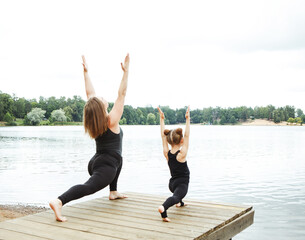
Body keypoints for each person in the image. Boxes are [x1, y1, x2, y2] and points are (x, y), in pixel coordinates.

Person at [49, 53, 130, 222]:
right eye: (99, 99)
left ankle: (113, 191)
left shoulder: (97, 120)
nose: (98, 97)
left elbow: (89, 94)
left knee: (119, 157)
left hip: (98, 161)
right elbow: (121, 95)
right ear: (101, 108)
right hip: (105, 166)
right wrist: (126, 72)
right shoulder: (110, 121)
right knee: (88, 187)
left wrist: (86, 72)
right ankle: (59, 201)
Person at [157, 106, 190, 222]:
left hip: (172, 184)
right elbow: (187, 135)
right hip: (181, 184)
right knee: (176, 196)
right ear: (181, 141)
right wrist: (187, 119)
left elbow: (162, 136)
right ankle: (163, 207)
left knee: (178, 194)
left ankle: (180, 203)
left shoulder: (167, 153)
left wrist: (161, 119)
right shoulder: (181, 155)